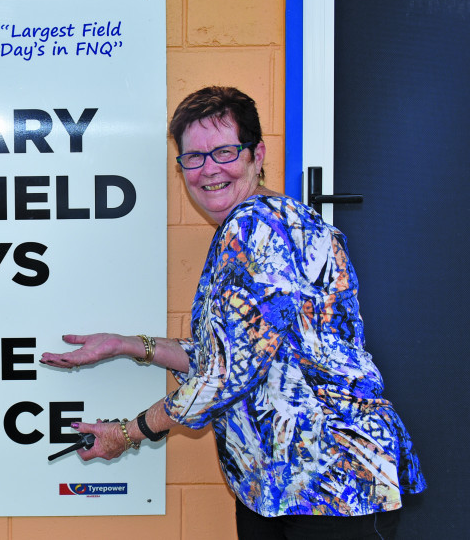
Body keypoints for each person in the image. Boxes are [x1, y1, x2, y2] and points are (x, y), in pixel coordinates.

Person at [40, 86, 425, 539]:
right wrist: (132, 346)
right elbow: (241, 355)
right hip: (278, 485)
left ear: (256, 154)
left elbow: (224, 374)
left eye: (224, 151)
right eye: (193, 158)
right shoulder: (263, 223)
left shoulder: (255, 229)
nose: (208, 170)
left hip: (330, 485)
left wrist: (128, 433)